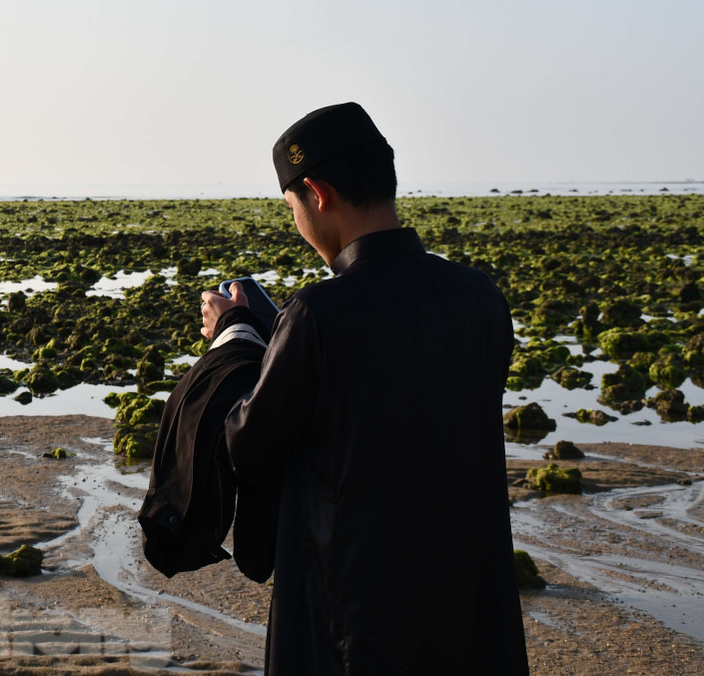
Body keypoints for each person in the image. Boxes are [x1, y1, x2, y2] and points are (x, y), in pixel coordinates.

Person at [202, 103, 528, 675]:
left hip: (353, 611)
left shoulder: (317, 313)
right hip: (470, 601)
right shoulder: (480, 298)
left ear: (317, 193)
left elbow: (247, 445)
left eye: (291, 206)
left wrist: (235, 336)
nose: (297, 222)